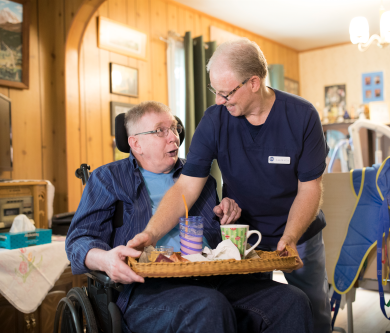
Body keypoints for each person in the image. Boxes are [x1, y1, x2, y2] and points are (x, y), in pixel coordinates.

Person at [128, 39, 331, 333]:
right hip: (243, 237)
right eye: (215, 92)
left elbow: (309, 188)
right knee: (261, 315)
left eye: (226, 93)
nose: (219, 101)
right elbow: (186, 187)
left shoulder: (302, 116)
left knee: (313, 313)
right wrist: (150, 233)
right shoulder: (214, 120)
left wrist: (290, 236)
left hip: (299, 234)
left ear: (254, 82)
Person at [66, 101, 314, 333]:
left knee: (291, 300)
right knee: (208, 306)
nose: (174, 136)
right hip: (146, 289)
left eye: (174, 127)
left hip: (214, 277)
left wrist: (227, 213)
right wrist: (105, 260)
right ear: (135, 143)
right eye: (160, 131)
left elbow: (216, 242)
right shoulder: (107, 179)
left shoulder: (200, 178)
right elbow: (78, 240)